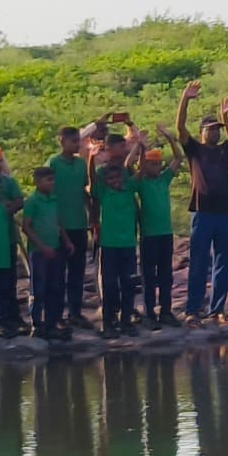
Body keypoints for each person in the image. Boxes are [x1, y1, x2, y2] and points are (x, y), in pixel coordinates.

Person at [177, 76, 228, 326]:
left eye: (217, 129)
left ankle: (216, 309)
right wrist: (184, 100)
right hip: (202, 212)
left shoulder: (225, 150)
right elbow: (180, 128)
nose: (215, 132)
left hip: (225, 214)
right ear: (202, 132)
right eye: (211, 129)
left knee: (226, 262)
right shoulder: (195, 149)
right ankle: (192, 310)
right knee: (199, 263)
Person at [133, 128, 182, 326]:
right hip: (148, 235)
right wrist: (140, 147)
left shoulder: (164, 179)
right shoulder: (141, 183)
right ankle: (149, 312)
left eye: (158, 164)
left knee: (166, 275)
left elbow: (179, 157)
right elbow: (130, 166)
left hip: (165, 234)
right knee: (148, 276)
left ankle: (166, 311)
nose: (156, 167)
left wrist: (171, 138)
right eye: (151, 164)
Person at [48, 125, 92, 328]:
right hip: (59, 225)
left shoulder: (81, 164)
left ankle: (75, 312)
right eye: (73, 141)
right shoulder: (53, 163)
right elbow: (47, 192)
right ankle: (56, 316)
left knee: (77, 270)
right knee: (57, 273)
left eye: (78, 140)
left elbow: (84, 190)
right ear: (62, 141)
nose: (77, 144)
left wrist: (93, 216)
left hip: (79, 224)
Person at [92, 161, 141, 337]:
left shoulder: (129, 190)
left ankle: (126, 320)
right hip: (109, 246)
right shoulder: (103, 192)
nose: (115, 181)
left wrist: (141, 147)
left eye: (117, 177)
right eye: (110, 179)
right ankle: (108, 322)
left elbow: (140, 172)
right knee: (110, 285)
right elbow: (92, 178)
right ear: (105, 181)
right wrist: (91, 156)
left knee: (128, 284)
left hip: (128, 245)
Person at [23, 167, 69, 340]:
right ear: (38, 182)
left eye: (53, 179)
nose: (52, 183)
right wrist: (42, 246)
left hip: (55, 248)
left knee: (55, 286)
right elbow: (26, 226)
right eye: (48, 180)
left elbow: (58, 222)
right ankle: (36, 324)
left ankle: (51, 323)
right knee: (38, 288)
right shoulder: (32, 201)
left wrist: (66, 240)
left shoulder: (54, 199)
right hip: (39, 252)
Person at [0, 147, 25, 336]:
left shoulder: (8, 182)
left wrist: (8, 208)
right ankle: (2, 320)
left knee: (9, 281)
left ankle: (12, 317)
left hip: (7, 238)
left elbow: (19, 200)